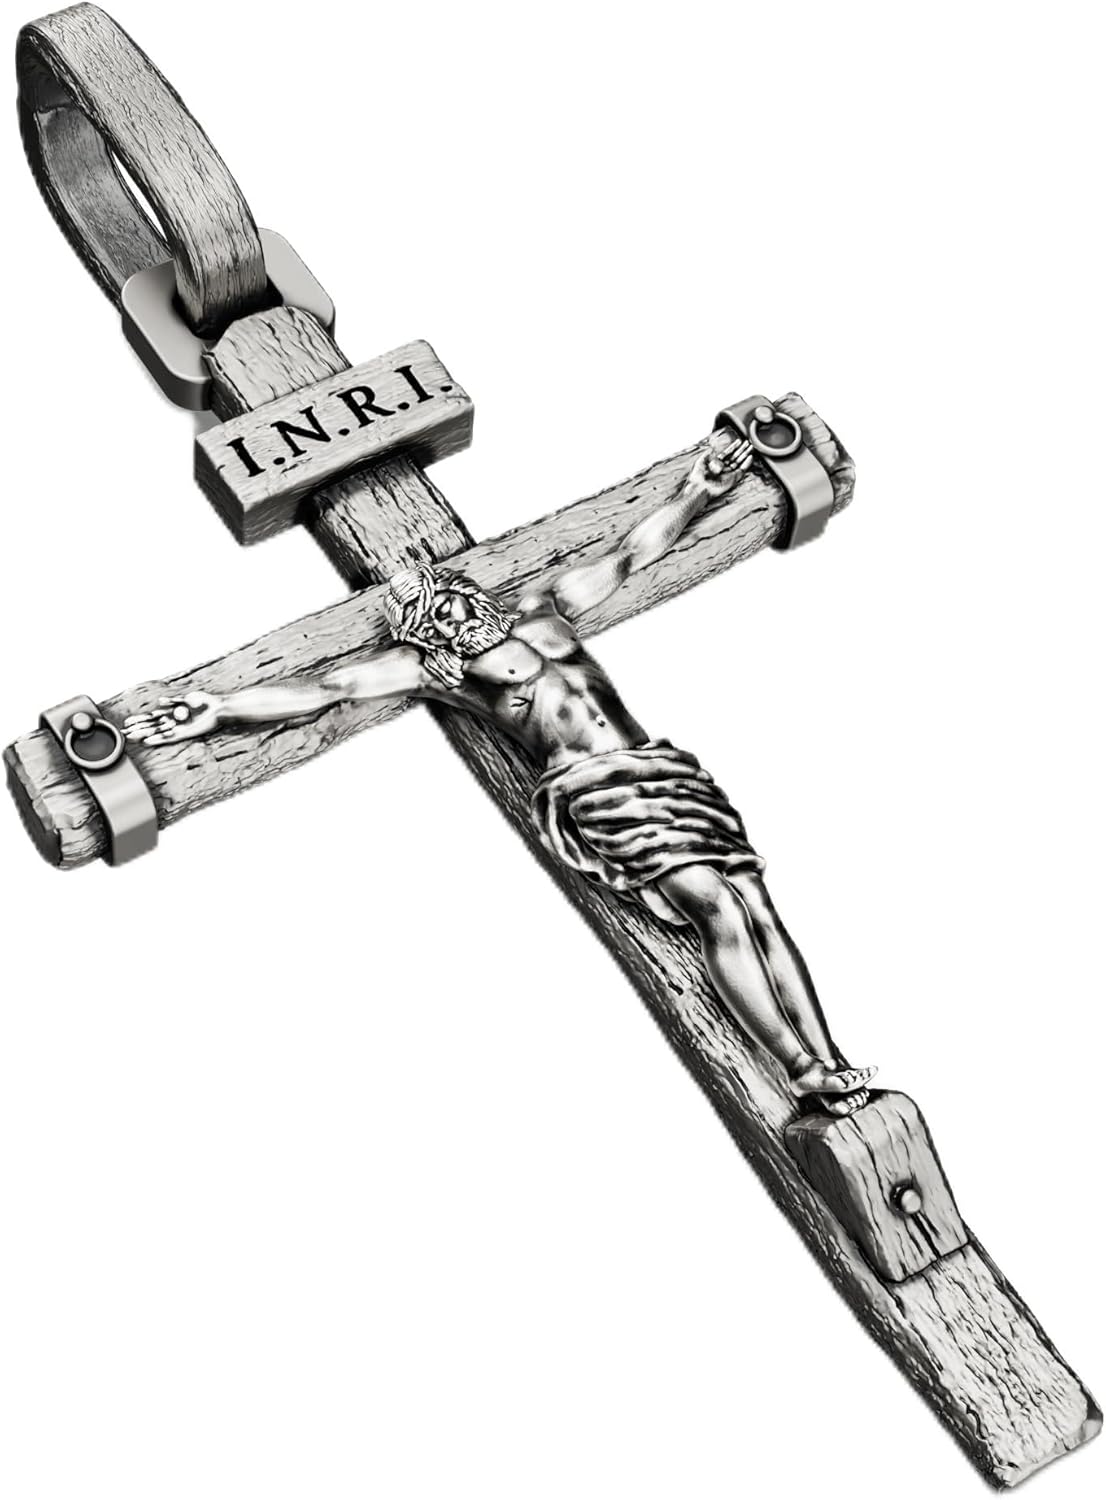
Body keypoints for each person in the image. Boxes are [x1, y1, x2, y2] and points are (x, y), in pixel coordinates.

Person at [126, 430, 874, 1114]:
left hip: (658, 767)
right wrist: (219, 708)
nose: (452, 618)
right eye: (435, 620)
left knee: (758, 905)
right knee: (716, 908)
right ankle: (799, 1069)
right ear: (426, 638)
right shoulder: (441, 673)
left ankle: (830, 1058)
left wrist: (699, 490)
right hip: (598, 792)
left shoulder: (545, 611)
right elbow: (328, 687)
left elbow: (629, 554)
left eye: (452, 602)